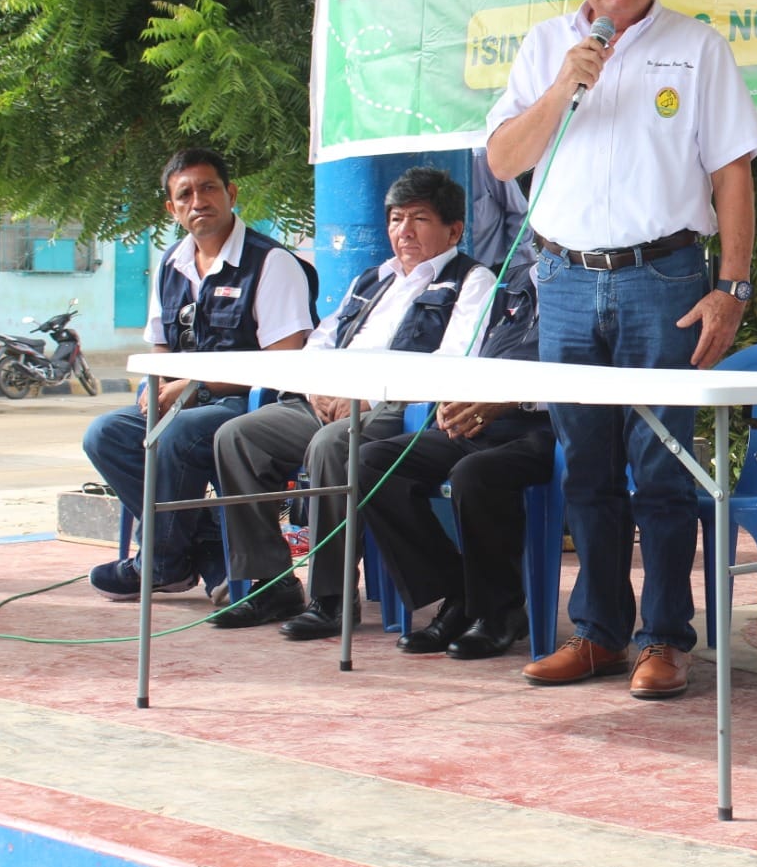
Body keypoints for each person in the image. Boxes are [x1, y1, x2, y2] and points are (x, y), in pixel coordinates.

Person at [485, 0, 757, 700]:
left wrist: (732, 287)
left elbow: (733, 174)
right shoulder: (545, 47)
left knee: (662, 466)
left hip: (665, 277)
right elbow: (505, 159)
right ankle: (600, 633)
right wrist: (562, 89)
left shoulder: (697, 47)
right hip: (566, 279)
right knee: (587, 467)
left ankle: (664, 640)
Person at [211, 167, 496, 638]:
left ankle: (331, 598)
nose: (403, 231)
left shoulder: (470, 282)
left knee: (331, 446)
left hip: (397, 410)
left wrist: (362, 397)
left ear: (454, 229)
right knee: (237, 436)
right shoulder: (372, 279)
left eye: (418, 219)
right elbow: (320, 343)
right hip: (331, 401)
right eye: (396, 219)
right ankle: (270, 583)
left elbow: (453, 362)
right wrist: (321, 388)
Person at [84, 147, 317, 601]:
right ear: (171, 209)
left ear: (231, 193)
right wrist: (157, 387)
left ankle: (163, 563)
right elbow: (162, 346)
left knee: (180, 436)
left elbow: (285, 363)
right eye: (185, 194)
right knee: (106, 433)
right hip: (187, 399)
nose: (199, 201)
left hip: (255, 405)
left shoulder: (271, 263)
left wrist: (193, 386)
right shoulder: (171, 264)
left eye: (209, 188)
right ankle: (208, 549)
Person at [356, 263, 556, 659]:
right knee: (373, 461)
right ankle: (460, 593)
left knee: (475, 475)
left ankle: (500, 612)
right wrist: (451, 396)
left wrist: (515, 397)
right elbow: (470, 353)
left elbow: (589, 377)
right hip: (481, 424)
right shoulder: (510, 283)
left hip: (547, 428)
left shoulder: (585, 281)